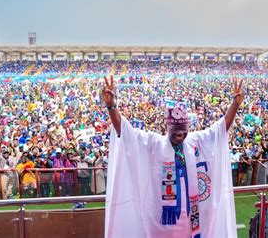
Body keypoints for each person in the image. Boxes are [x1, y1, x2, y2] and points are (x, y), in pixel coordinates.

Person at [103, 75, 243, 238]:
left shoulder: (195, 141)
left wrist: (235, 104)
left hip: (192, 219)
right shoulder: (154, 143)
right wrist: (111, 106)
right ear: (167, 127)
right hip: (163, 222)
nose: (180, 133)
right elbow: (125, 132)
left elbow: (220, 128)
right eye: (175, 129)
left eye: (183, 129)